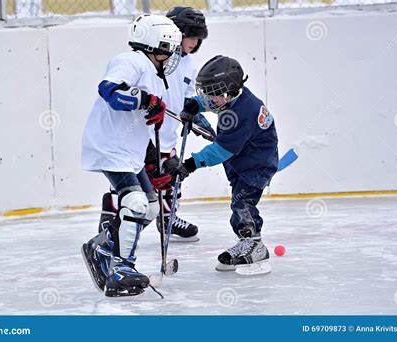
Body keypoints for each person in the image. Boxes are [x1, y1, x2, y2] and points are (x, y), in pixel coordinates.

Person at [80, 14, 182, 297]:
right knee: (135, 202)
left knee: (149, 207)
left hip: (130, 152)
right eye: (167, 49)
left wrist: (152, 161)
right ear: (155, 45)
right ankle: (122, 267)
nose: (171, 56)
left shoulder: (156, 74)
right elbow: (110, 91)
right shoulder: (132, 60)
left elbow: (142, 121)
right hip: (110, 147)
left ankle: (103, 247)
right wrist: (146, 101)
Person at [98, 7, 212, 243]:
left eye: (198, 36)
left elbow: (187, 97)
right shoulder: (154, 61)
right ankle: (113, 213)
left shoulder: (189, 64)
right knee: (138, 183)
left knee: (171, 178)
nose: (195, 41)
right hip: (145, 133)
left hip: (168, 134)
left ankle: (168, 218)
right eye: (191, 35)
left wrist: (195, 115)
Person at [163, 55, 279, 273]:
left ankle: (254, 245)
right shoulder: (230, 98)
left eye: (214, 94)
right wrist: (193, 105)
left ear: (230, 90)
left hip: (257, 165)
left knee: (242, 204)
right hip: (242, 162)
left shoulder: (245, 111)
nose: (209, 98)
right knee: (239, 201)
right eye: (206, 93)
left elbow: (221, 150)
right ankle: (246, 242)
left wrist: (190, 164)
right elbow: (210, 102)